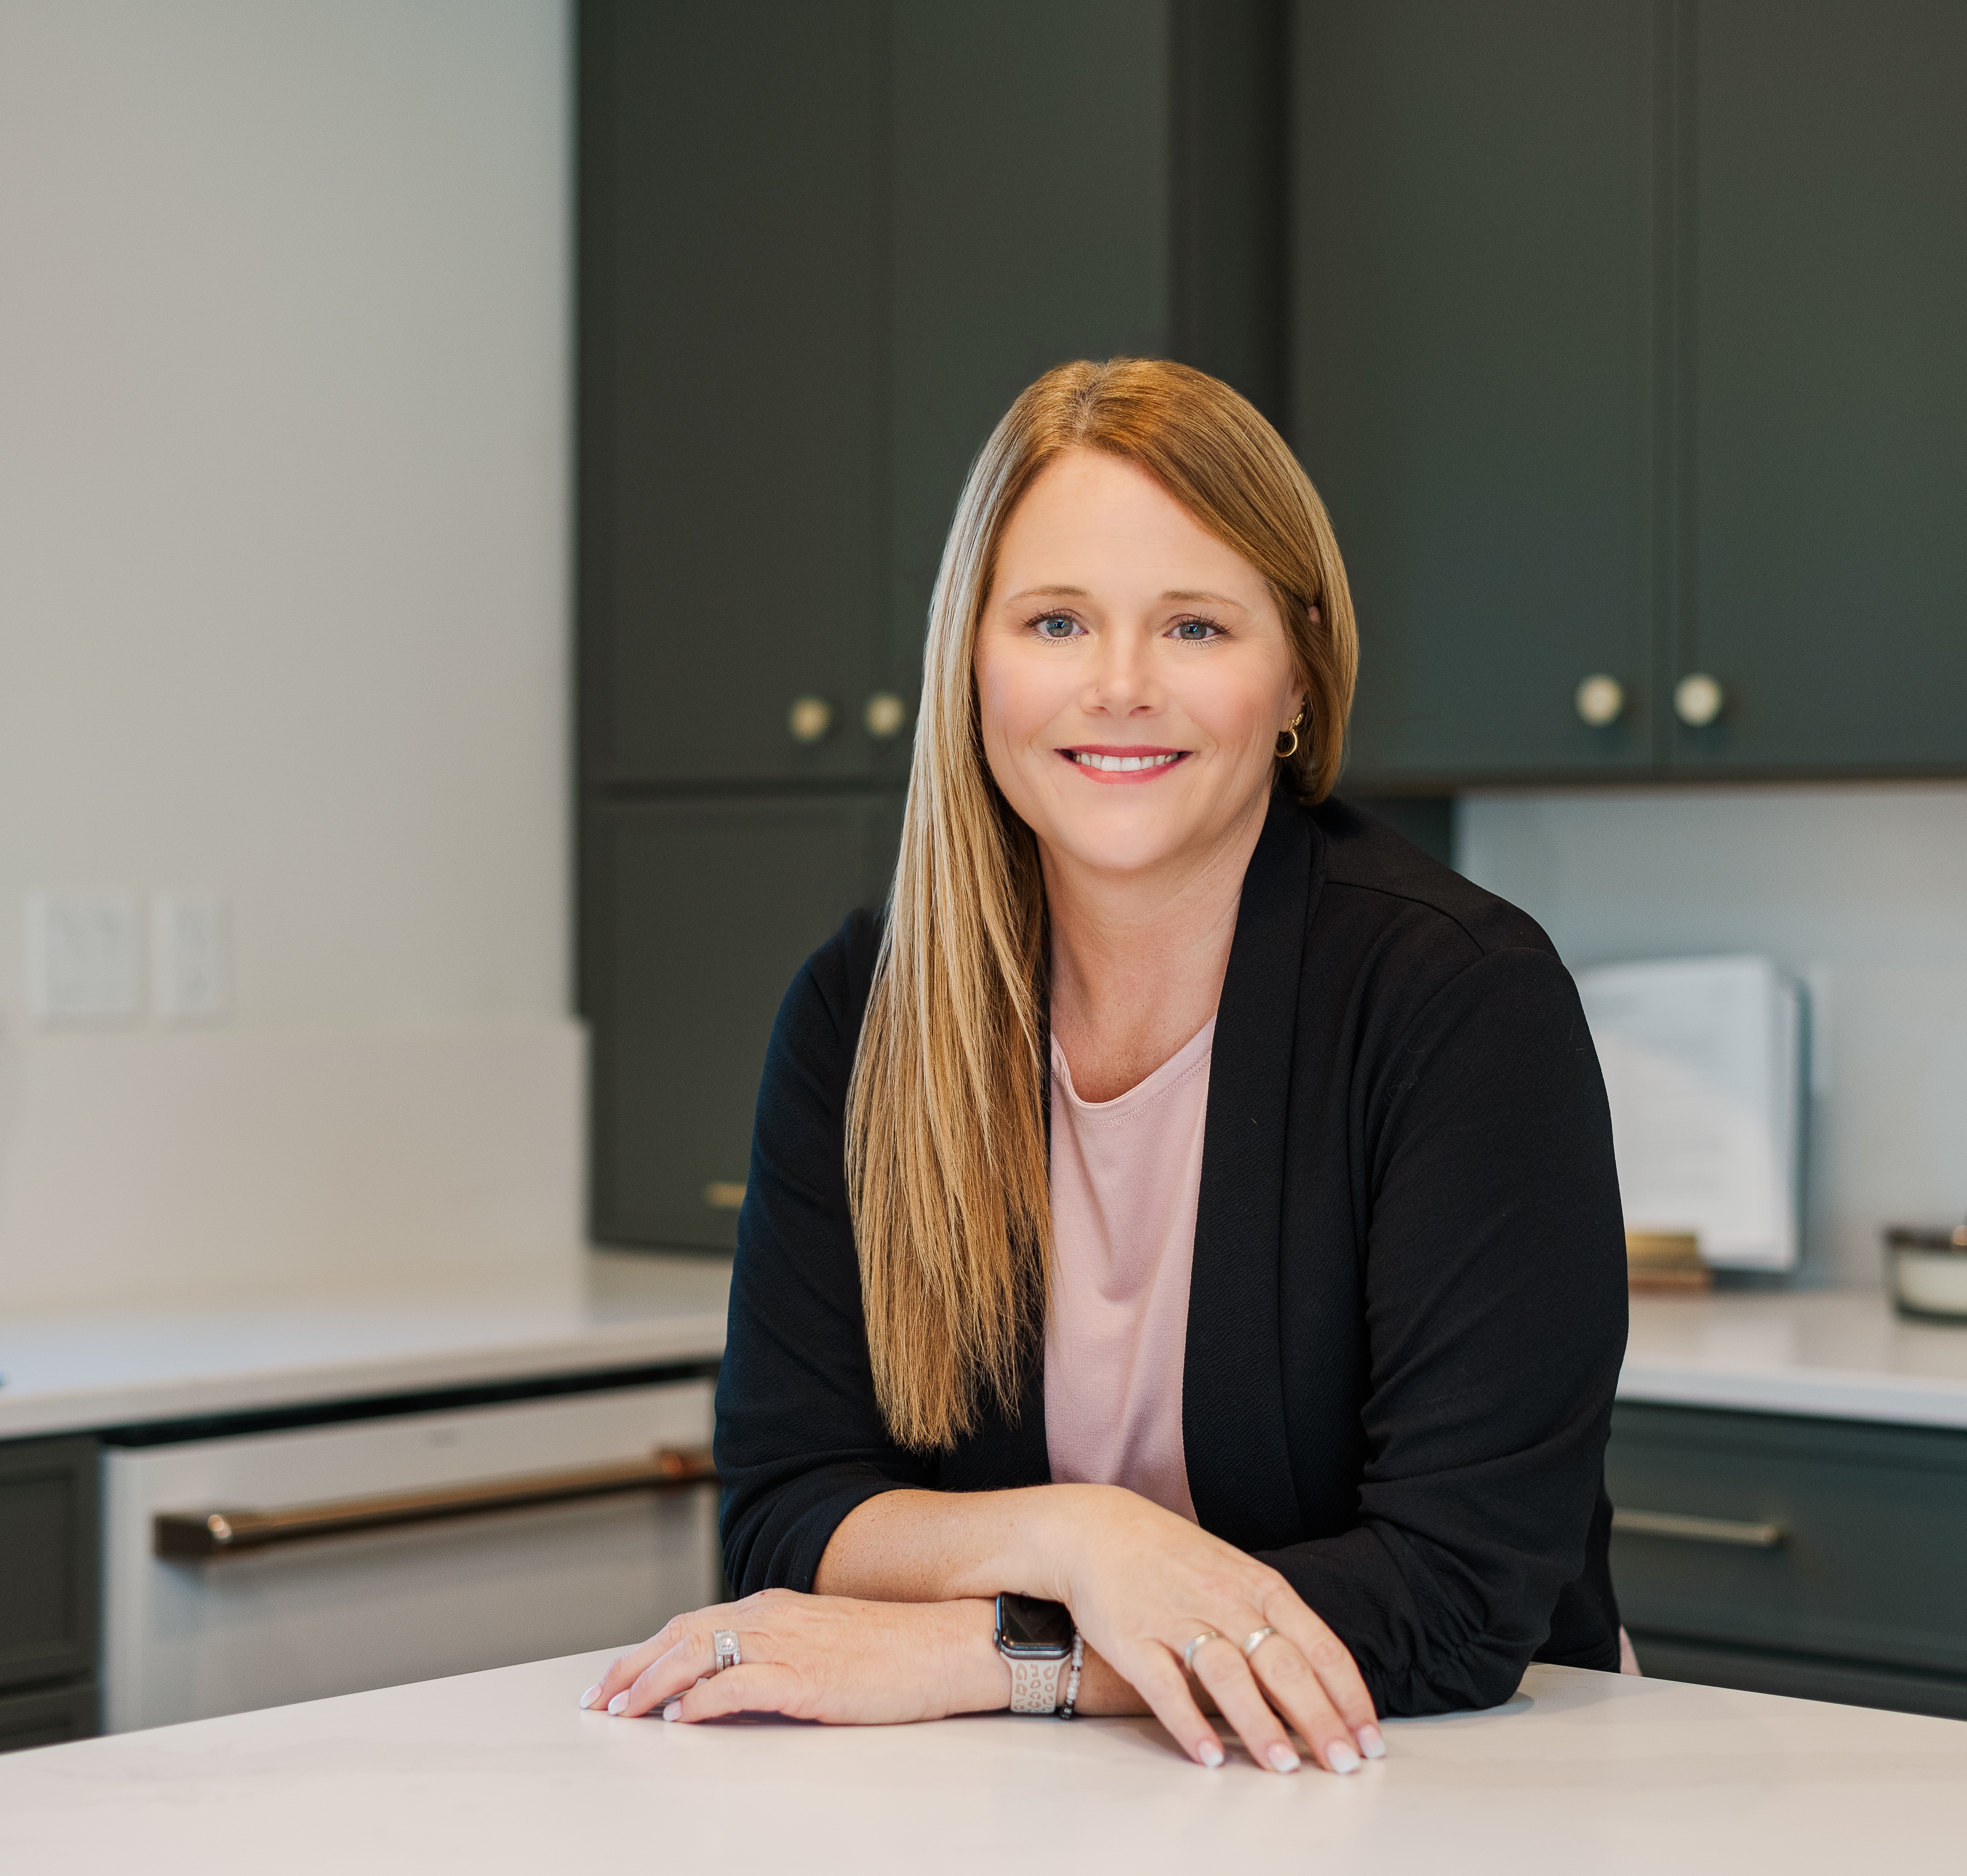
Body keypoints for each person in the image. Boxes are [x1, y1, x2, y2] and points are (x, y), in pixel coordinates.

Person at [584, 358, 1627, 1775]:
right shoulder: (862, 1010)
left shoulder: (1458, 999)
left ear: (1297, 677)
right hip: (1028, 1806)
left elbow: (1455, 1596)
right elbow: (786, 1510)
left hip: (1436, 1781)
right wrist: (1083, 1535)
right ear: (974, 663)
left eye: (1193, 623)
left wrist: (990, 1647)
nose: (1119, 686)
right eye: (1056, 620)